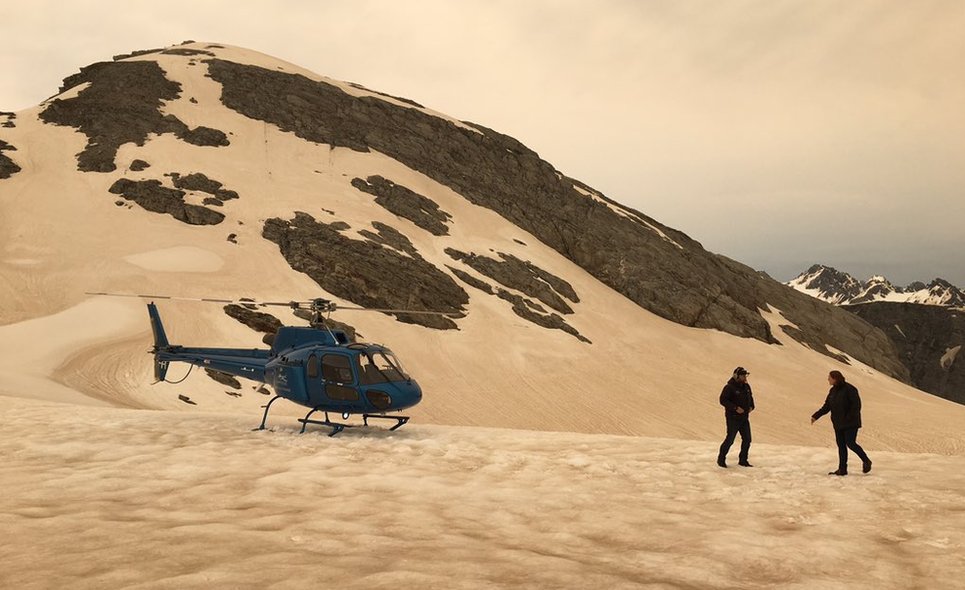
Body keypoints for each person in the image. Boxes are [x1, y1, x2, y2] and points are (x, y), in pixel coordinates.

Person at [811, 370, 872, 476]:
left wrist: (848, 418)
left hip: (850, 423)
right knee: (841, 446)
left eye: (829, 378)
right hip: (838, 423)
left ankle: (866, 460)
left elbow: (856, 406)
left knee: (850, 443)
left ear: (835, 378)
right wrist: (816, 416)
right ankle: (842, 469)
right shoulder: (832, 391)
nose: (828, 380)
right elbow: (827, 406)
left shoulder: (850, 389)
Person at [717, 366, 755, 468]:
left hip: (744, 418)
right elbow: (723, 400)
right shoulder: (729, 387)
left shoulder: (746, 387)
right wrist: (735, 408)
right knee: (730, 439)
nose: (745, 377)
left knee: (747, 439)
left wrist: (752, 406)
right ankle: (721, 459)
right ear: (737, 376)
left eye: (745, 375)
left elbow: (750, 398)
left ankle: (743, 460)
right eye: (743, 375)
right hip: (733, 418)